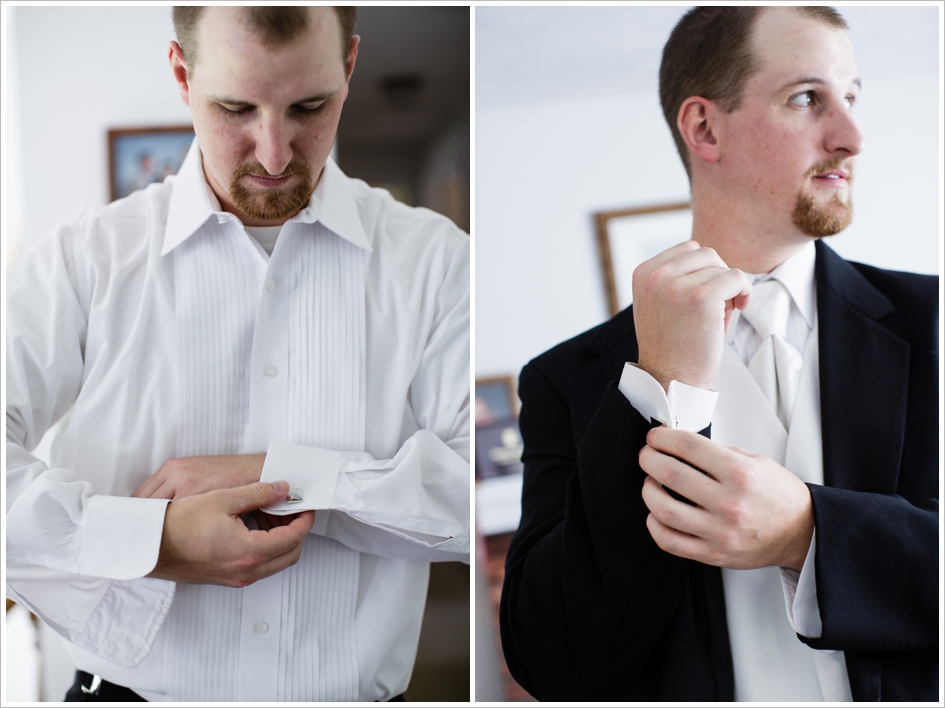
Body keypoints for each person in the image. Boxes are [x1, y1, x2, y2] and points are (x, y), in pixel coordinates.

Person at [6, 6, 469, 702]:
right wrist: (150, 542)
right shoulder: (81, 261)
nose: (275, 154)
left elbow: (480, 496)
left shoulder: (441, 265)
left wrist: (281, 477)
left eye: (309, 107)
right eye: (234, 108)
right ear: (180, 74)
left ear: (348, 69)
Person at [500, 6, 937, 702]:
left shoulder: (934, 324)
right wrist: (657, 383)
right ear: (704, 127)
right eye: (806, 98)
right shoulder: (565, 380)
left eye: (850, 98)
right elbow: (555, 664)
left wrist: (807, 534)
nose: (851, 137)